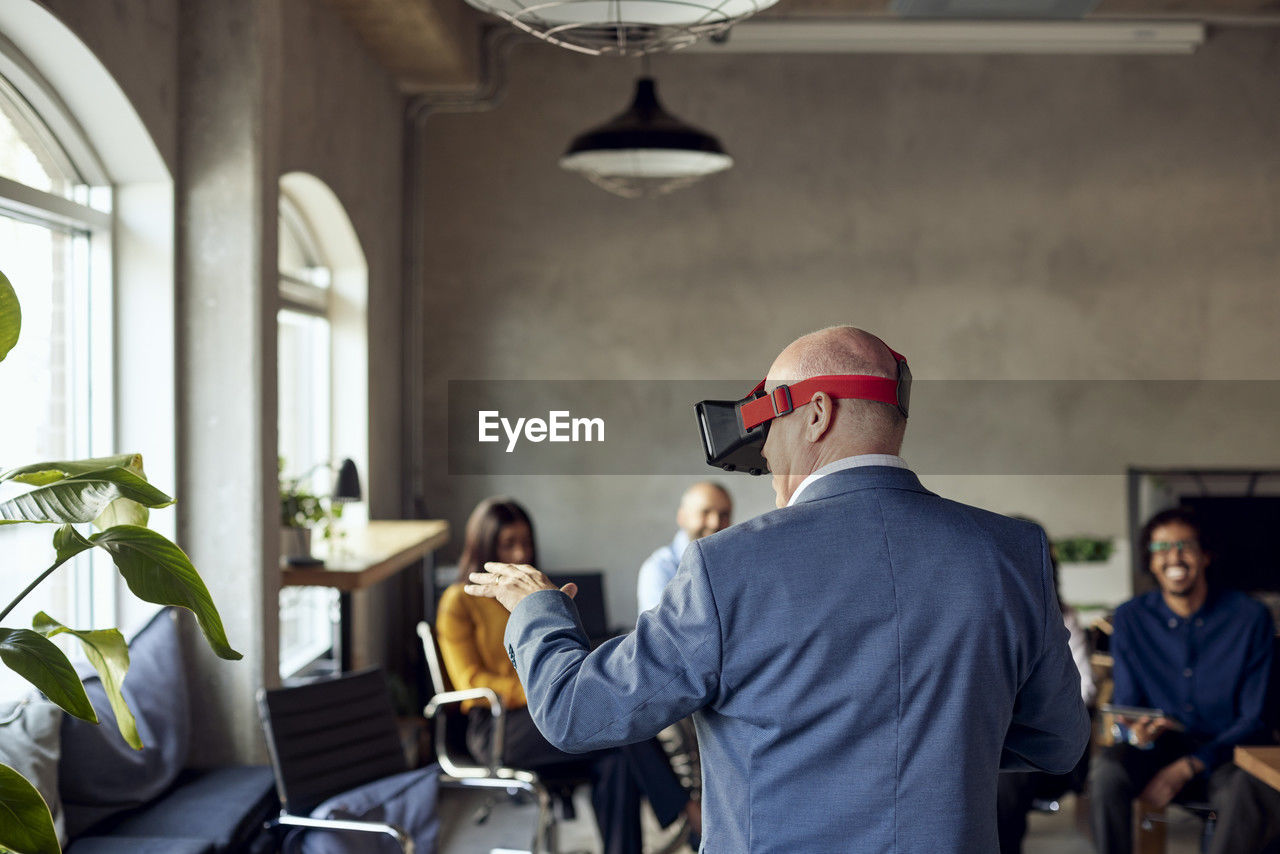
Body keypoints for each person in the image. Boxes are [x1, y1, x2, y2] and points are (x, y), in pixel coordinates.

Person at [465, 326, 1090, 852]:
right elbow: (1059, 741)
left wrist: (536, 609)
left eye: (772, 426)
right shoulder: (1011, 552)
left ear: (817, 413)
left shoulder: (726, 566)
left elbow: (578, 712)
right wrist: (941, 744)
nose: (764, 455)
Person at [435, 497, 697, 854]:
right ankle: (688, 811)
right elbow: (470, 684)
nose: (520, 551)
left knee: (617, 758)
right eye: (507, 543)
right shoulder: (458, 600)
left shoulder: (536, 591)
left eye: (525, 541)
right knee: (614, 723)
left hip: (548, 705)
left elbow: (570, 657)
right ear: (484, 546)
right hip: (496, 725)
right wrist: (544, 680)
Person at [1088, 506, 1280, 854]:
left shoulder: (1250, 618)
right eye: (1161, 548)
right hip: (1161, 747)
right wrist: (1137, 733)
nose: (1173, 556)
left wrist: (1190, 766)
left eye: (1185, 545)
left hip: (1229, 755)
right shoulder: (1130, 618)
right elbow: (1131, 703)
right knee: (1106, 772)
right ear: (1149, 560)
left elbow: (1256, 718)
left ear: (1205, 554)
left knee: (1255, 788)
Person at [997, 519, 1097, 854]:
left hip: (1036, 745)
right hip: (986, 739)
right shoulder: (979, 616)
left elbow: (1083, 691)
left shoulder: (1061, 616)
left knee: (1002, 783)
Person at [637, 482, 732, 614]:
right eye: (705, 512)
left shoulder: (735, 563)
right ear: (682, 517)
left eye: (724, 514)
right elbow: (661, 633)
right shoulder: (658, 569)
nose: (715, 523)